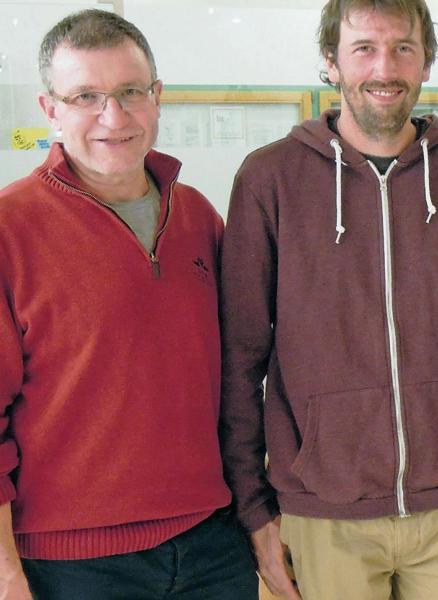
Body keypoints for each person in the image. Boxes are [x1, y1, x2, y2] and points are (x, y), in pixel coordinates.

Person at [218, 0, 438, 598]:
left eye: (402, 48)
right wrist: (254, 509)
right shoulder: (270, 180)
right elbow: (239, 358)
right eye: (363, 48)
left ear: (426, 62)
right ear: (331, 63)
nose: (383, 67)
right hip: (320, 511)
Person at [0, 9, 257, 600]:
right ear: (50, 111)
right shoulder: (12, 230)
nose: (112, 117)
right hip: (71, 566)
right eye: (86, 95)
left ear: (157, 97)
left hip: (213, 543)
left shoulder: (196, 216)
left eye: (129, 92)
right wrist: (7, 572)